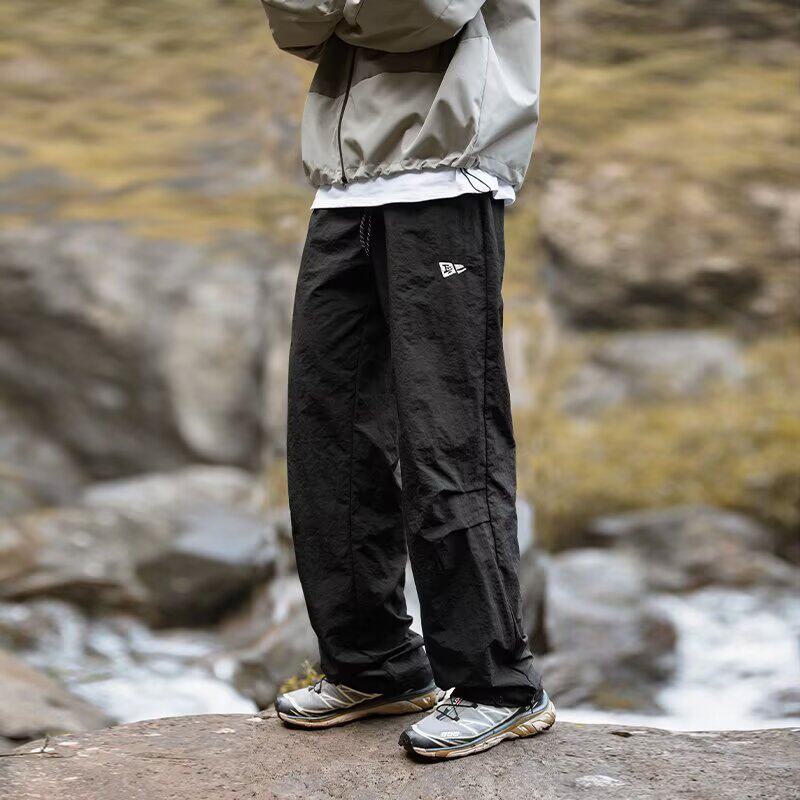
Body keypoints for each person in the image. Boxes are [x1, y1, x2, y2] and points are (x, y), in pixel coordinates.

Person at [259, 0, 554, 759]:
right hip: (342, 188)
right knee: (328, 439)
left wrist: (337, 12)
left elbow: (423, 12)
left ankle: (498, 685)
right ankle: (375, 664)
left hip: (446, 177)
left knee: (447, 437)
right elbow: (293, 24)